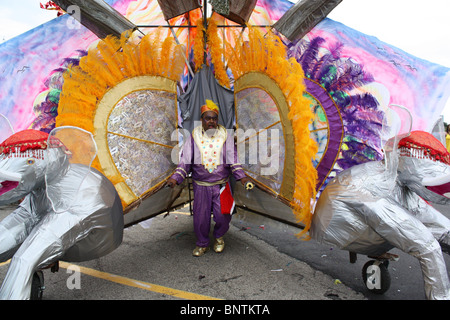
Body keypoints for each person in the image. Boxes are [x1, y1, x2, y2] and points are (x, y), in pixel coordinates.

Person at [166, 99, 251, 257]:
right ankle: (202, 243)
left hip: (222, 185)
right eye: (208, 118)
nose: (211, 121)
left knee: (223, 215)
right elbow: (185, 161)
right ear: (202, 120)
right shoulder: (194, 137)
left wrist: (242, 177)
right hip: (201, 185)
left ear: (217, 120)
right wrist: (175, 178)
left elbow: (233, 160)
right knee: (200, 218)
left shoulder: (225, 136)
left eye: (214, 118)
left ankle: (219, 237)